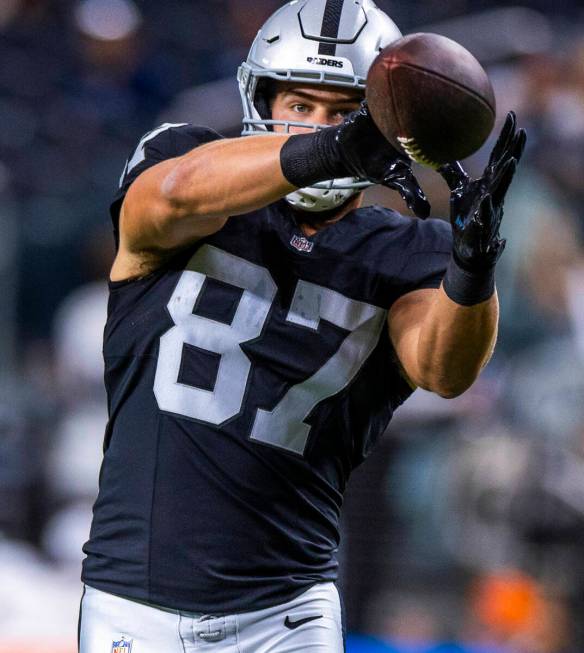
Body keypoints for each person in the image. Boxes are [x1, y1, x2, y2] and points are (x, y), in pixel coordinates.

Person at [78, 0, 526, 651]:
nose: (319, 124)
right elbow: (169, 198)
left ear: (384, 123)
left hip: (286, 611)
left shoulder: (405, 250)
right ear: (259, 97)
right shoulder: (184, 160)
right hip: (134, 601)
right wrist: (336, 146)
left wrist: (473, 266)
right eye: (300, 105)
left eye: (344, 110)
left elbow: (445, 370)